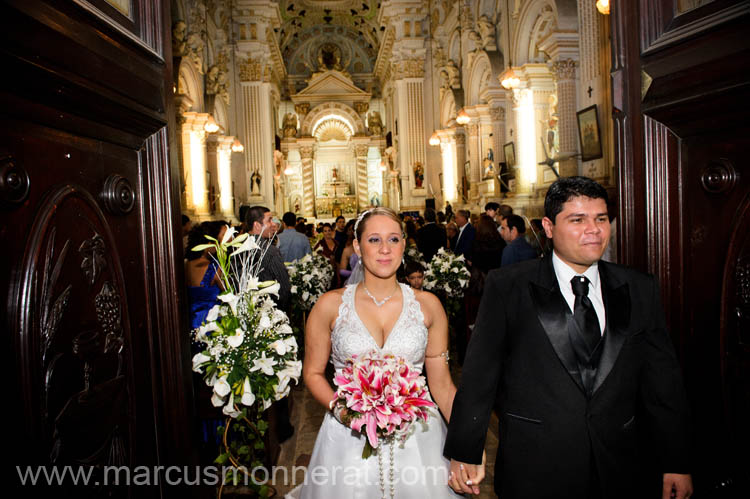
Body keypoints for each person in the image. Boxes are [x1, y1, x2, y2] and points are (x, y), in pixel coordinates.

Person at [444, 176, 692, 499]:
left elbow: (663, 380)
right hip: (536, 466)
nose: (594, 229)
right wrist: (465, 449)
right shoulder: (508, 287)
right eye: (577, 220)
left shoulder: (638, 288)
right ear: (548, 227)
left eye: (600, 219)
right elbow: (480, 373)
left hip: (622, 466)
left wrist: (676, 460)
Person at [296, 207, 463, 498]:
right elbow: (311, 372)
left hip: (417, 436)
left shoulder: (428, 305)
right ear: (357, 246)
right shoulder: (329, 305)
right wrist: (347, 414)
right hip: (347, 437)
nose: (385, 249)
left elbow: (443, 386)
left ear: (404, 244)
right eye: (374, 240)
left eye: (394, 239)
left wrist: (467, 443)